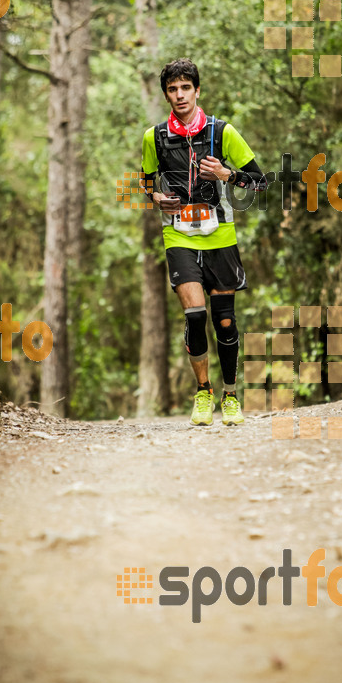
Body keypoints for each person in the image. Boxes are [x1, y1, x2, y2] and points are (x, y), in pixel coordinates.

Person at [141, 58, 266, 426]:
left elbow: (258, 182)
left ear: (197, 91)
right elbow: (147, 181)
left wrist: (227, 173)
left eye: (185, 88)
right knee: (195, 315)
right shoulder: (155, 137)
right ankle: (203, 391)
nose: (179, 95)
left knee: (224, 321)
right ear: (166, 94)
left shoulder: (222, 132)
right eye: (172, 89)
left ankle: (230, 395)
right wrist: (156, 199)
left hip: (220, 234)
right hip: (178, 233)